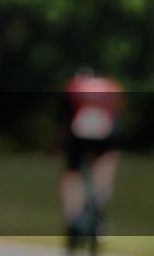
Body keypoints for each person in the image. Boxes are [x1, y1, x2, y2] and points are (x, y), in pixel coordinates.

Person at [59, 69, 124, 246]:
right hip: (107, 133)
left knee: (72, 174)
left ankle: (73, 217)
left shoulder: (74, 86)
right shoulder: (111, 85)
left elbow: (65, 118)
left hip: (78, 133)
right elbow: (117, 113)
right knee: (106, 166)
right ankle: (99, 212)